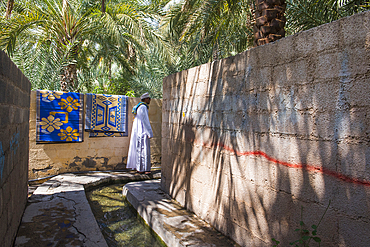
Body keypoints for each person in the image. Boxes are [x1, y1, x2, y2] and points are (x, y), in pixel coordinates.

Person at [126, 93, 153, 174]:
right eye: (148, 98)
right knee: (145, 151)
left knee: (139, 150)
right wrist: (149, 132)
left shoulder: (138, 107)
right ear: (145, 99)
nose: (149, 100)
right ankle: (146, 169)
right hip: (143, 132)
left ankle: (140, 168)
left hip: (139, 132)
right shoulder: (143, 107)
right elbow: (145, 121)